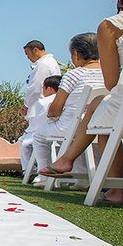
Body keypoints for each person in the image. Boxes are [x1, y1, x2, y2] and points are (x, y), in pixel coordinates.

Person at [40, 0, 123, 204]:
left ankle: (73, 162)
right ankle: (74, 164)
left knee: (101, 111)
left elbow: (111, 82)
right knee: (102, 108)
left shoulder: (112, 25)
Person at [33, 33, 104, 179]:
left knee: (38, 135)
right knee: (79, 137)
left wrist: (52, 114)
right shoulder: (108, 75)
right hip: (101, 125)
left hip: (71, 127)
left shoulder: (73, 75)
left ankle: (43, 176)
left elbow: (54, 110)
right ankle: (83, 178)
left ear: (76, 54)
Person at [18, 75, 61, 176]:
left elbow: (36, 122)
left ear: (49, 89)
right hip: (66, 132)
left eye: (43, 88)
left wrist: (25, 117)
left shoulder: (42, 102)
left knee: (23, 142)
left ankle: (29, 169)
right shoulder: (66, 99)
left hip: (45, 133)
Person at [21, 40, 60, 118]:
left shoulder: (43, 65)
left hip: (40, 109)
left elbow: (35, 88)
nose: (27, 57)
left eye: (27, 54)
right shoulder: (51, 62)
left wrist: (26, 106)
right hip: (49, 105)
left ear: (35, 50)